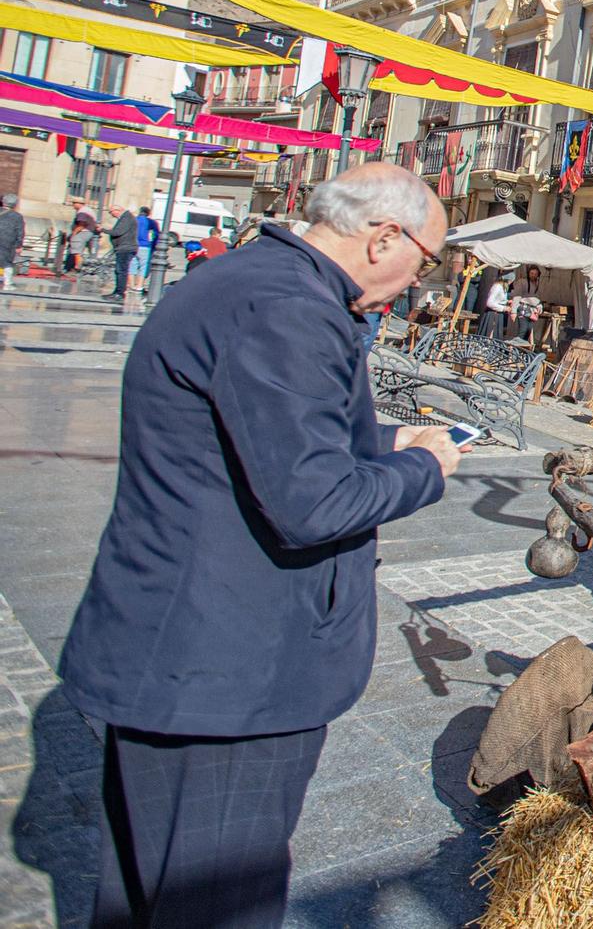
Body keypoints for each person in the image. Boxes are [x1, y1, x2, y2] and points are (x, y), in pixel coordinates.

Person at [60, 163, 462, 926]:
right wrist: (422, 467)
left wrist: (382, 436)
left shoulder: (253, 279)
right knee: (213, 906)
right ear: (384, 238)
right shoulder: (288, 307)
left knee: (147, 896)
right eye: (428, 260)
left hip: (186, 662)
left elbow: (259, 424)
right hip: (222, 680)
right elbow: (314, 500)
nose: (420, 280)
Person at [104, 206, 138, 299]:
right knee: (119, 271)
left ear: (117, 210)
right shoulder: (126, 217)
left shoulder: (127, 217)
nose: (111, 215)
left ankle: (120, 293)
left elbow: (118, 232)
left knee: (121, 271)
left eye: (111, 212)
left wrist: (103, 230)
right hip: (123, 248)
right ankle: (117, 291)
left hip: (126, 248)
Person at [130, 205, 158, 292]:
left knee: (132, 265)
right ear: (148, 213)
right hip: (145, 246)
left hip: (133, 245)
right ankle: (139, 285)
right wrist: (153, 246)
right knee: (143, 266)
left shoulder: (133, 220)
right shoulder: (151, 222)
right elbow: (156, 235)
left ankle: (131, 285)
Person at [478, 269, 511, 339]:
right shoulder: (497, 286)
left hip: (499, 315)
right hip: (493, 315)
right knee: (489, 336)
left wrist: (506, 302)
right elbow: (489, 303)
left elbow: (499, 299)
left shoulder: (503, 287)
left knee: (496, 337)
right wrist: (503, 308)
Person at [0, 193, 23, 291]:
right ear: (15, 204)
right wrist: (19, 245)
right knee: (7, 263)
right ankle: (7, 284)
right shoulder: (17, 216)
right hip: (9, 242)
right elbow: (20, 231)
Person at [65, 210, 97, 274]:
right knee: (77, 252)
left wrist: (73, 234)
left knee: (77, 253)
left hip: (81, 234)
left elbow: (81, 225)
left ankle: (77, 268)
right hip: (87, 234)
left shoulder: (82, 213)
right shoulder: (88, 214)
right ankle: (76, 268)